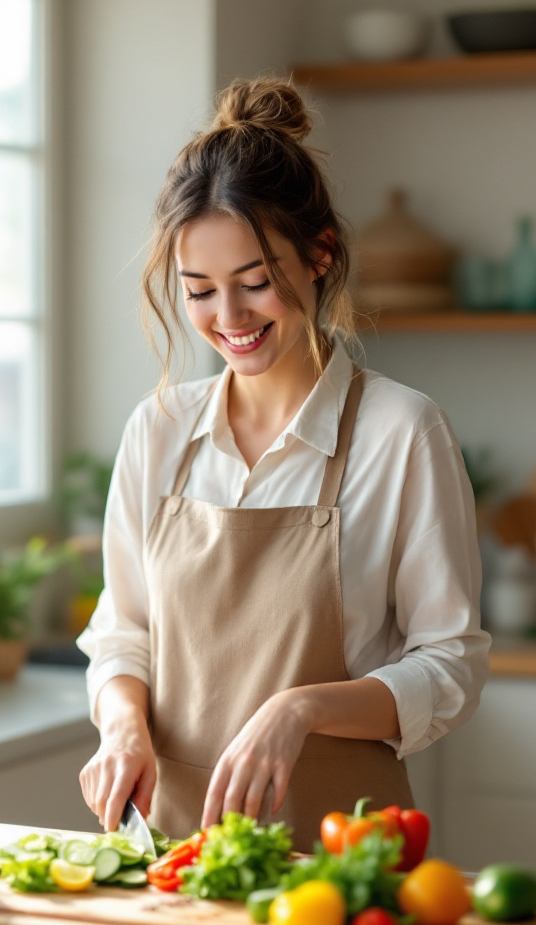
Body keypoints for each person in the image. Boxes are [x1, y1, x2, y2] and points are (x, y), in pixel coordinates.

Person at [76, 77, 490, 852]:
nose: (227, 321)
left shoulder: (402, 431)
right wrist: (123, 723)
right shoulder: (158, 430)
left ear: (319, 255)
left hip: (342, 861)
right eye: (198, 291)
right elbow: (123, 632)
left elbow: (452, 663)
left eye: (255, 284)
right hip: (171, 854)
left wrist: (300, 708)